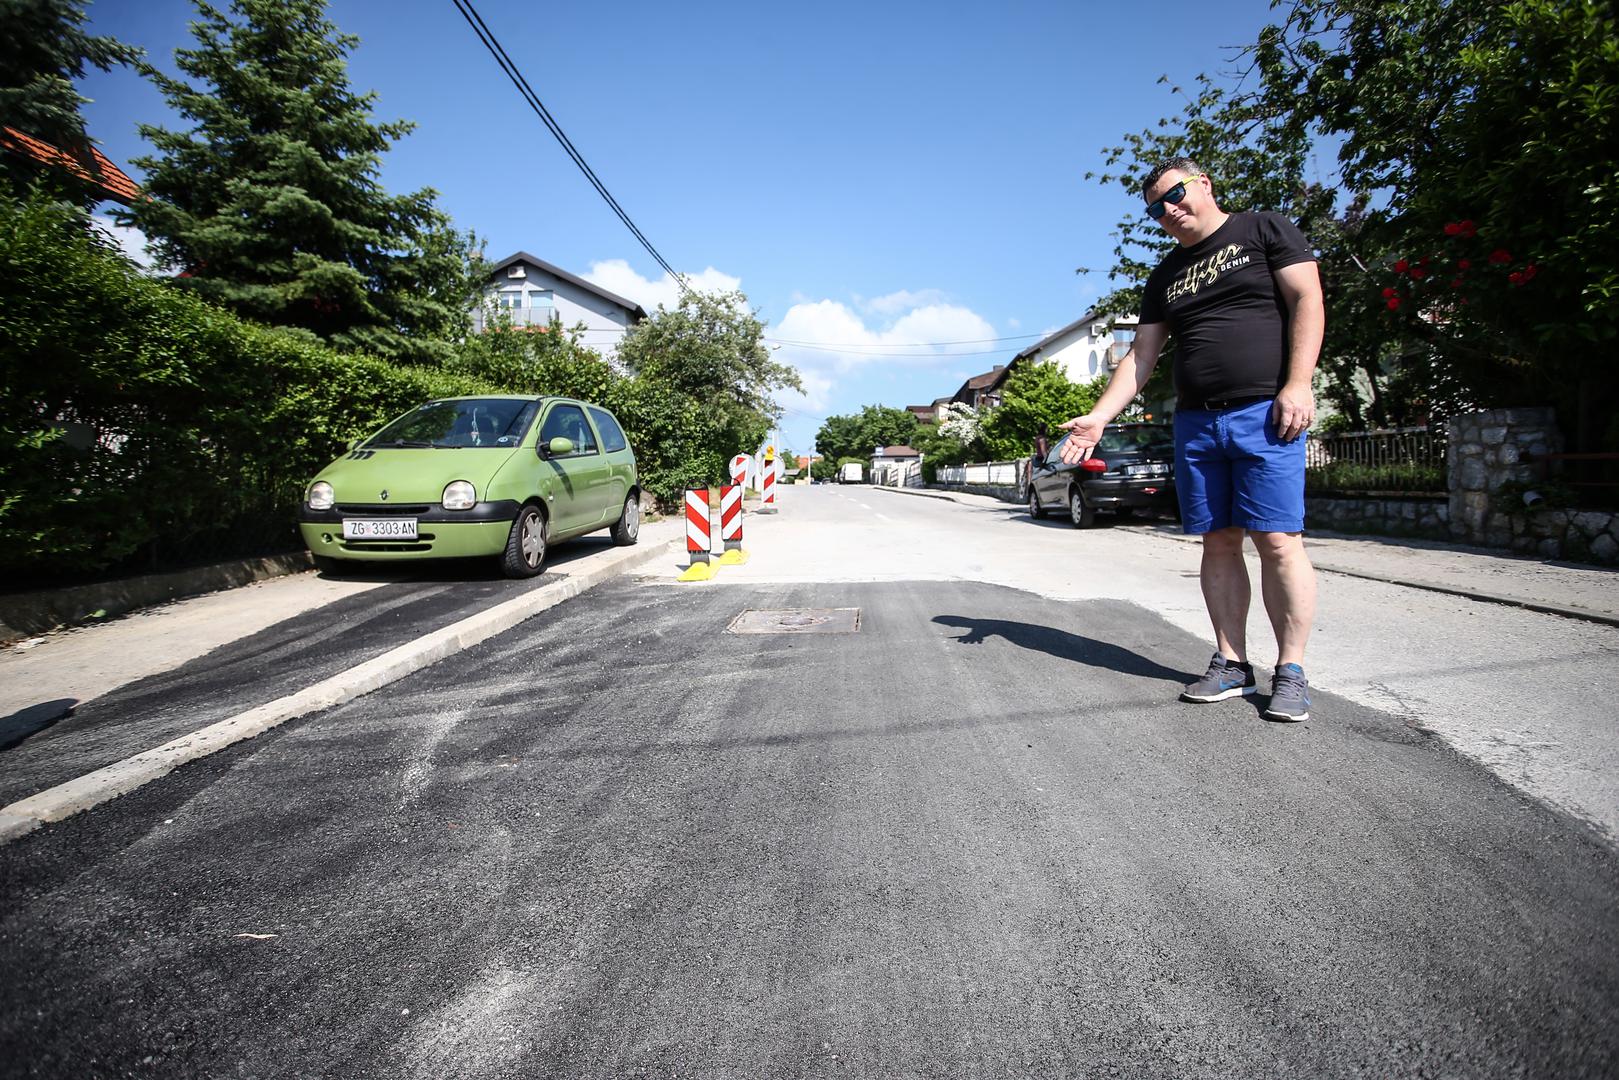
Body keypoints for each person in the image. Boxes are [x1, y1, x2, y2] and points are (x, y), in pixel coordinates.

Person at [1058, 158, 1324, 722]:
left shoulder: (1262, 229)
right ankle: (1232, 664)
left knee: (1278, 541)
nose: (1168, 210)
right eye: (1156, 208)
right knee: (1218, 542)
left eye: (1174, 194)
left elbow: (1307, 299)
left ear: (1204, 183)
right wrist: (1100, 417)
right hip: (1197, 424)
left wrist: (1299, 383)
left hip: (1266, 413)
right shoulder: (1164, 276)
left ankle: (1291, 670)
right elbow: (1141, 356)